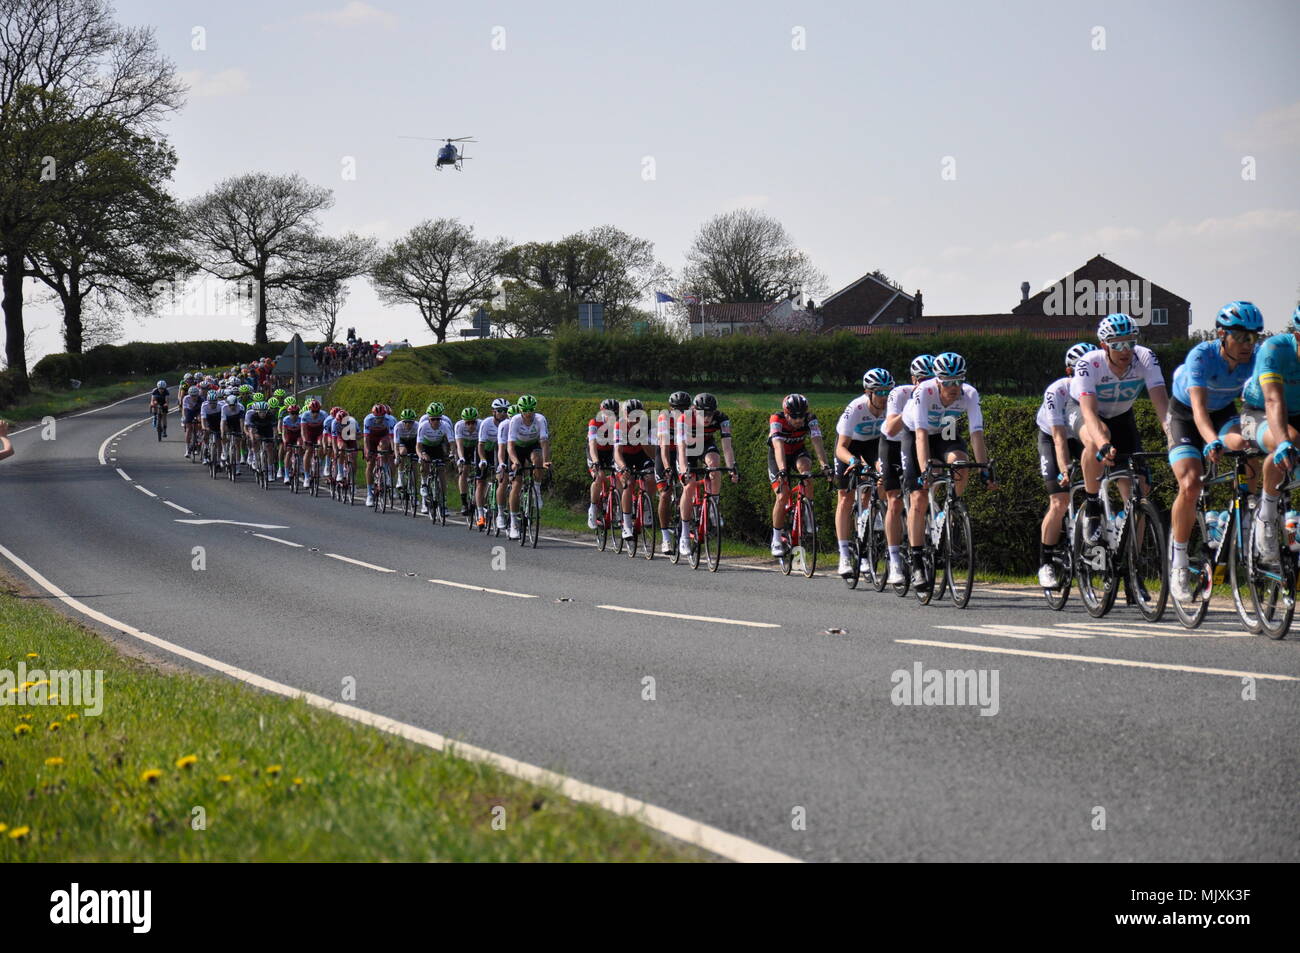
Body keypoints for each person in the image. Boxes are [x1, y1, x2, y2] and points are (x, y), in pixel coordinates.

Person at [1165, 302, 1261, 601]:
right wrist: (1210, 441)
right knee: (1191, 483)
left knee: (1249, 448)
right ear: (1222, 334)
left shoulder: (1255, 358)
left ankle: (1247, 511)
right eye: (1240, 337)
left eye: (1253, 337)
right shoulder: (1202, 356)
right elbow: (1197, 410)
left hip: (1223, 413)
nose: (1248, 344)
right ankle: (1179, 562)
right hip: (1185, 416)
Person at [1069, 314, 1170, 545]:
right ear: (1105, 346)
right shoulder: (1089, 363)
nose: (1126, 350)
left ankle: (1132, 562)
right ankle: (1093, 504)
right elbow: (1089, 413)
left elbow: (1162, 407)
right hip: (1084, 412)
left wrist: (1173, 439)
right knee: (1097, 439)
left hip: (1122, 416)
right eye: (1118, 345)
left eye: (1131, 342)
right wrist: (1104, 444)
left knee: (1138, 491)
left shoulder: (1145, 358)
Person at [901, 351, 997, 588]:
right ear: (937, 380)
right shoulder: (924, 392)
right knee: (919, 497)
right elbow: (921, 437)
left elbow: (976, 434)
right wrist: (925, 471)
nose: (954, 387)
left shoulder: (970, 394)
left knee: (961, 463)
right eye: (948, 382)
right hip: (915, 433)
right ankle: (916, 563)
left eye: (958, 380)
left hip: (945, 430)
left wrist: (983, 468)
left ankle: (950, 507)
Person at [1238, 306, 1300, 563]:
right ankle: (1267, 513)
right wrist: (1284, 441)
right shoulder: (1274, 349)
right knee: (1289, 440)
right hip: (1260, 409)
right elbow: (1274, 400)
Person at [1035, 343, 1093, 588]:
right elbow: (1058, 437)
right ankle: (1046, 562)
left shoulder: (1099, 388)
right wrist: (1065, 469)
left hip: (1082, 437)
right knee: (1059, 501)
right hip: (1053, 438)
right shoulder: (1056, 391)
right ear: (1069, 372)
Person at [834, 368, 894, 578]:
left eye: (888, 391)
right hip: (851, 448)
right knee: (845, 497)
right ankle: (843, 555)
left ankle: (872, 514)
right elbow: (840, 447)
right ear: (868, 392)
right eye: (880, 392)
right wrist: (852, 461)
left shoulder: (891, 406)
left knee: (884, 475)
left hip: (875, 445)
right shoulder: (857, 407)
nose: (885, 397)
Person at [881, 355, 934, 585]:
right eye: (922, 379)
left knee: (929, 488)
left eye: (931, 378)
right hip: (893, 444)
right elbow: (891, 429)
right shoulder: (900, 394)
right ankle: (894, 561)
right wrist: (912, 407)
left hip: (921, 441)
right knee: (894, 500)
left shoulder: (938, 394)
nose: (926, 383)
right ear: (913, 379)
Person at [674, 393, 739, 557]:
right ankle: (684, 534)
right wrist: (683, 471)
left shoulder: (722, 419)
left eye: (710, 414)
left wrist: (732, 468)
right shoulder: (684, 419)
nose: (707, 418)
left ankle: (713, 507)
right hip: (687, 451)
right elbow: (681, 448)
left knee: (715, 465)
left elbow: (727, 447)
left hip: (705, 445)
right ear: (694, 410)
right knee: (689, 486)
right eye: (703, 414)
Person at [767, 393, 830, 558]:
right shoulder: (776, 419)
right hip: (778, 456)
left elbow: (817, 442)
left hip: (797, 452)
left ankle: (808, 513)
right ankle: (776, 539)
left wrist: (825, 465)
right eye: (794, 417)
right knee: (782, 496)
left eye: (801, 415)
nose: (799, 420)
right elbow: (778, 446)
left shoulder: (810, 419)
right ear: (786, 414)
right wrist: (782, 471)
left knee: (806, 471)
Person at [587, 398, 619, 529]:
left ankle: (618, 509)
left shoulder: (619, 424)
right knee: (599, 477)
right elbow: (592, 444)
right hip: (596, 452)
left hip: (611, 451)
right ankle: (593, 510)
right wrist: (595, 462)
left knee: (620, 478)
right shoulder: (595, 422)